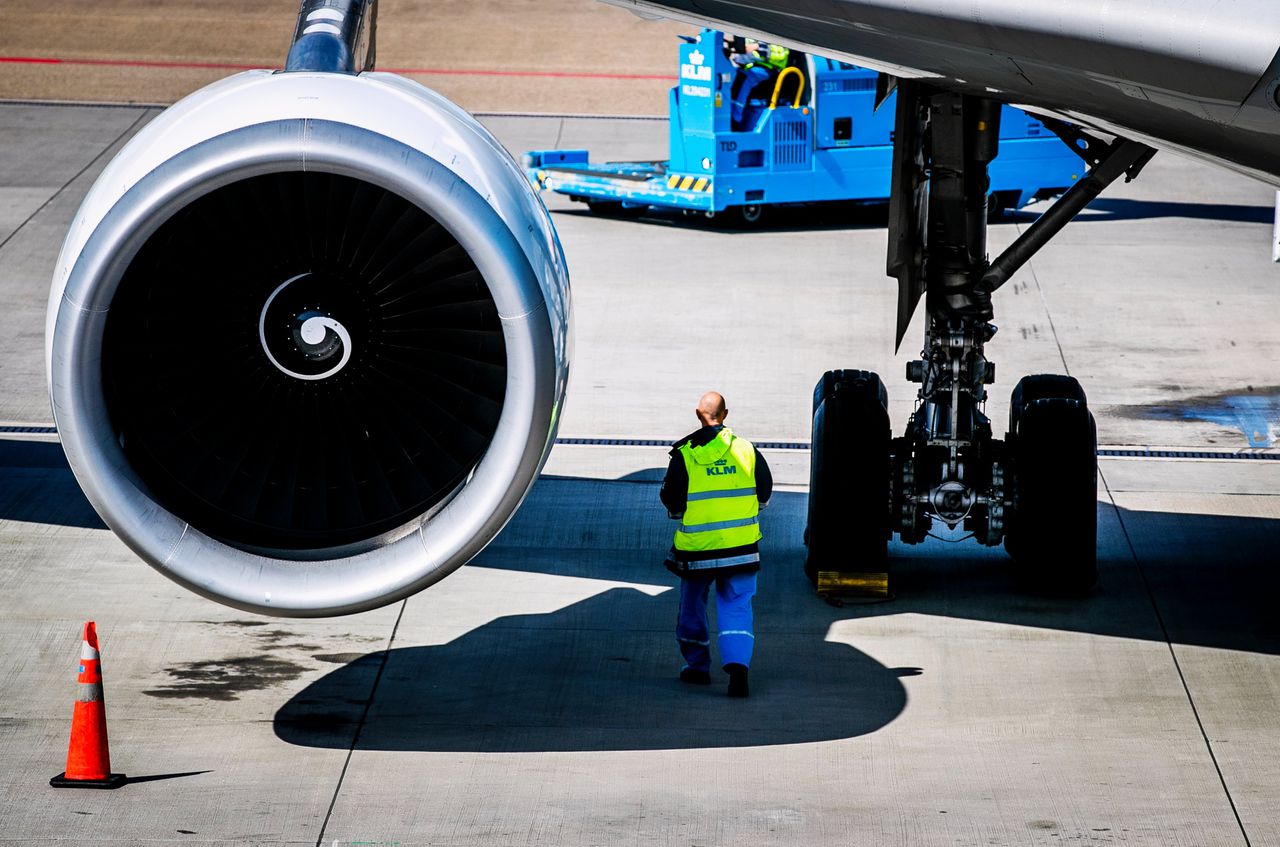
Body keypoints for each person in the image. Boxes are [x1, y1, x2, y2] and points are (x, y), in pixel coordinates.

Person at [660, 391, 773, 698]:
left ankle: (697, 667)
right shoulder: (747, 450)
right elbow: (765, 490)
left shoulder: (685, 455)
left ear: (698, 414)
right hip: (741, 549)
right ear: (726, 415)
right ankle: (738, 669)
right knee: (736, 606)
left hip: (698, 550)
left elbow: (671, 499)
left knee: (693, 607)